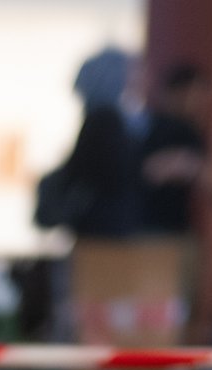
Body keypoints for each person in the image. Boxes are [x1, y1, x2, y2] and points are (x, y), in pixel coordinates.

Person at [46, 47, 141, 239]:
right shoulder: (106, 119)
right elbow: (109, 174)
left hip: (99, 228)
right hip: (105, 233)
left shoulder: (101, 116)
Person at [139, 63, 210, 238]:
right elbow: (208, 179)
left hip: (139, 226)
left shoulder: (144, 123)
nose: (202, 103)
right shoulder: (185, 130)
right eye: (198, 94)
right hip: (165, 229)